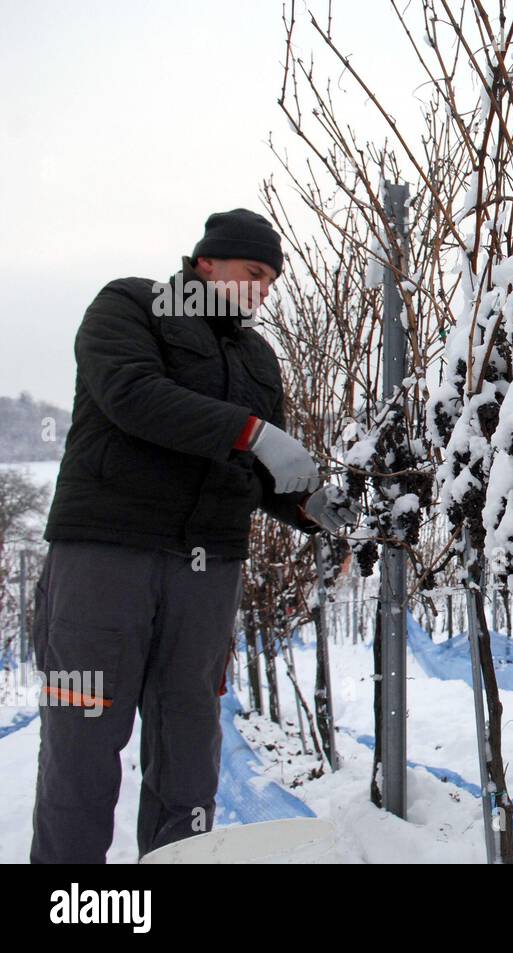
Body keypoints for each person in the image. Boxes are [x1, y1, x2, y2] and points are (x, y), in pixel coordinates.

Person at [30, 208, 359, 863]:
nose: (264, 290)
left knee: (190, 746)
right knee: (84, 738)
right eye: (254, 272)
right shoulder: (132, 304)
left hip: (206, 572)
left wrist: (318, 512)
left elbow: (266, 473)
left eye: (272, 280)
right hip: (106, 552)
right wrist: (253, 432)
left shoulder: (258, 357)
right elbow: (132, 394)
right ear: (207, 261)